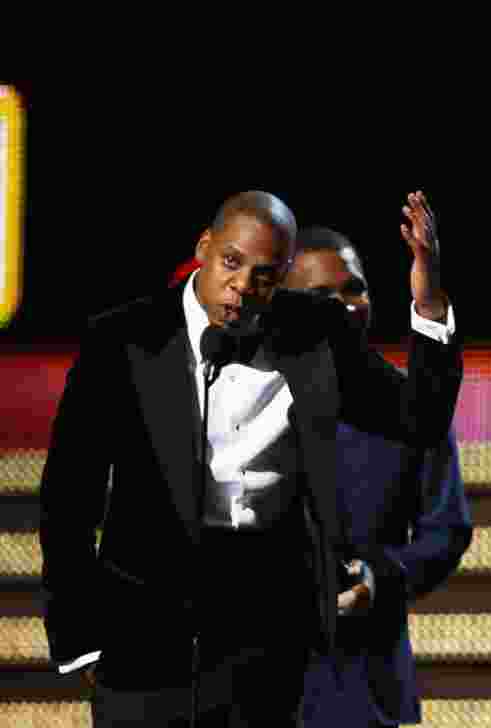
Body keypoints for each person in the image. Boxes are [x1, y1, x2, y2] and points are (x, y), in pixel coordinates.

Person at [38, 189, 462, 726]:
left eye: (263, 274)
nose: (241, 286)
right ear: (204, 248)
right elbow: (67, 500)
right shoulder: (123, 339)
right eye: (231, 263)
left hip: (267, 640)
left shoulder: (316, 332)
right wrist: (82, 641)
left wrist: (428, 304)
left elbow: (418, 419)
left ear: (282, 276)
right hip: (142, 639)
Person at [283, 227, 472, 728]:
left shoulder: (413, 407)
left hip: (369, 685)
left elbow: (446, 531)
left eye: (353, 288)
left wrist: (378, 578)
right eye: (320, 295)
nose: (344, 305)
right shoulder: (245, 401)